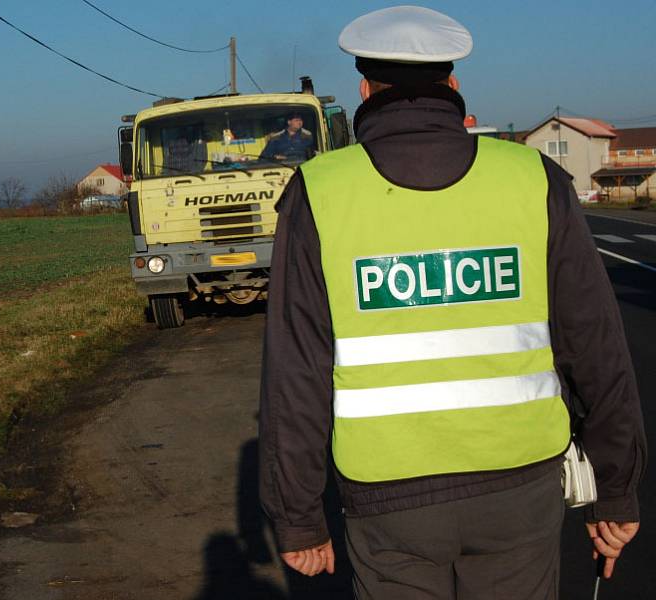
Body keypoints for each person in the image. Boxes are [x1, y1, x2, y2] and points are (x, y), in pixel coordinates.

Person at [258, 6, 645, 599]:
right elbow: (595, 345)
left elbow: (296, 370)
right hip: (521, 487)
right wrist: (614, 490)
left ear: (365, 90)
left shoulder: (319, 192)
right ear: (454, 87)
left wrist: (297, 516)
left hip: (386, 500)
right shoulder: (533, 178)